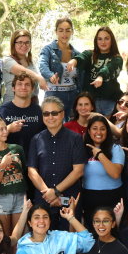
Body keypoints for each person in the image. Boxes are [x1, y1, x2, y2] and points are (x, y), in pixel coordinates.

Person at [27, 96, 86, 229]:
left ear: (62, 114)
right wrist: (48, 194)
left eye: (54, 113)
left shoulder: (75, 139)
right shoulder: (36, 139)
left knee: (69, 242)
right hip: (44, 200)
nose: (50, 117)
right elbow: (32, 171)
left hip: (69, 199)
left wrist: (56, 191)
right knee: (45, 240)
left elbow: (78, 171)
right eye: (46, 113)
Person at [0, 116, 27, 235]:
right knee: (4, 236)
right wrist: (2, 165)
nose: (5, 131)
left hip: (19, 194)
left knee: (19, 236)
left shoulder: (17, 148)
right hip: (1, 198)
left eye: (5, 128)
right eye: (1, 129)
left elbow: (24, 172)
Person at [67, 26, 123, 116]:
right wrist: (74, 61)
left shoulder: (117, 58)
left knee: (107, 129)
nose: (103, 42)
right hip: (91, 103)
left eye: (106, 39)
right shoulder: (90, 54)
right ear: (96, 41)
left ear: (112, 40)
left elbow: (109, 68)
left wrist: (100, 77)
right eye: (100, 39)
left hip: (109, 102)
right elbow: (82, 57)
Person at [81, 115, 125, 227]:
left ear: (107, 131)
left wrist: (99, 154)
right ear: (89, 131)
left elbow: (115, 173)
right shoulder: (82, 148)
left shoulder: (115, 148)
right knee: (91, 233)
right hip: (89, 197)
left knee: (110, 232)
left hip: (111, 197)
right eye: (94, 128)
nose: (98, 132)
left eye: (102, 128)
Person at [15, 201, 94, 254]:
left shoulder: (60, 238)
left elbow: (88, 241)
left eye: (45, 217)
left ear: (49, 221)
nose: (41, 221)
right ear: (30, 223)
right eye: (36, 217)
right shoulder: (23, 249)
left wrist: (70, 218)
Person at [40, 17, 80, 119]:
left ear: (72, 32)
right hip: (54, 94)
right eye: (61, 30)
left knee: (71, 127)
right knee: (53, 125)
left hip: (72, 95)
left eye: (68, 30)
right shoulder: (48, 50)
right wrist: (50, 75)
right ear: (56, 32)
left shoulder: (77, 54)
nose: (64, 34)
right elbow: (42, 65)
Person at [0, 73, 45, 154]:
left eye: (27, 84)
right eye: (19, 84)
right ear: (13, 88)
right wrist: (8, 129)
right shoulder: (2, 111)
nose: (23, 87)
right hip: (10, 160)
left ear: (32, 89)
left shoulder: (39, 111)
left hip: (35, 160)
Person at [1, 29, 47, 103]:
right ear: (13, 44)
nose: (24, 45)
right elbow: (23, 72)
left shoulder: (31, 62)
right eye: (20, 42)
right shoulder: (7, 61)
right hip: (12, 107)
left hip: (32, 105)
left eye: (27, 42)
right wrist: (39, 78)